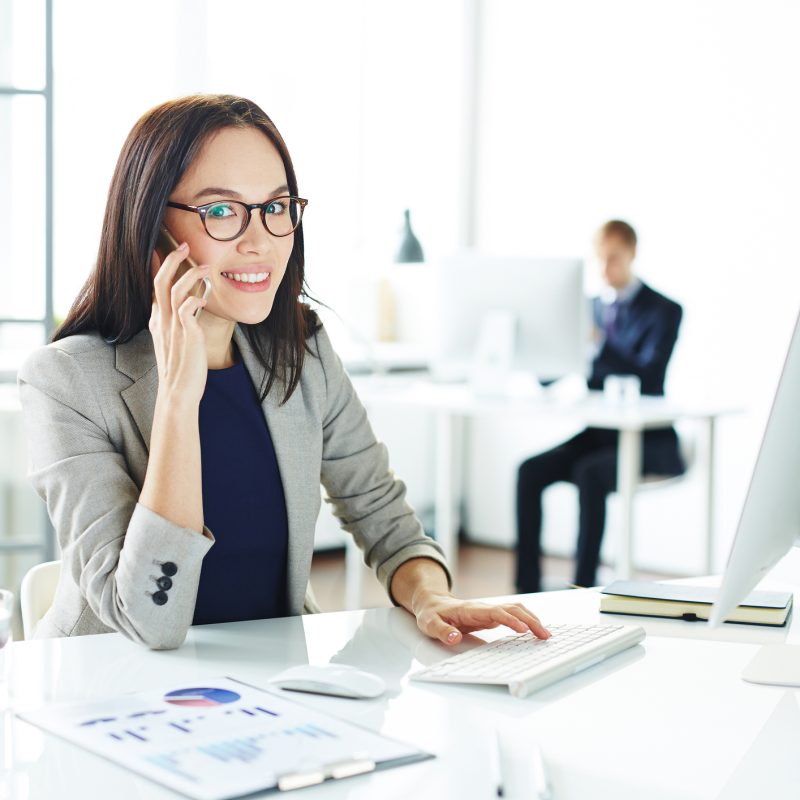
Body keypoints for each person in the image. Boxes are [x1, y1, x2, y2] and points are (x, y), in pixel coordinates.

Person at [19, 94, 550, 650]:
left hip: (275, 687)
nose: (261, 241)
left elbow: (382, 515)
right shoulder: (66, 382)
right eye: (221, 211)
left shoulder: (302, 349)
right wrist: (179, 395)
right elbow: (149, 624)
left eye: (275, 208)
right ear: (154, 232)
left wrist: (429, 594)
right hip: (112, 697)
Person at [516, 220, 685, 592]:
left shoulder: (664, 310)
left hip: (650, 440)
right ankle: (525, 588)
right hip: (599, 434)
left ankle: (583, 587)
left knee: (589, 473)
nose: (605, 269)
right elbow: (549, 376)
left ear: (632, 254)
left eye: (614, 258)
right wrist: (539, 338)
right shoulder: (588, 308)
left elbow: (649, 375)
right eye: (600, 259)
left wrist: (597, 341)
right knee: (529, 471)